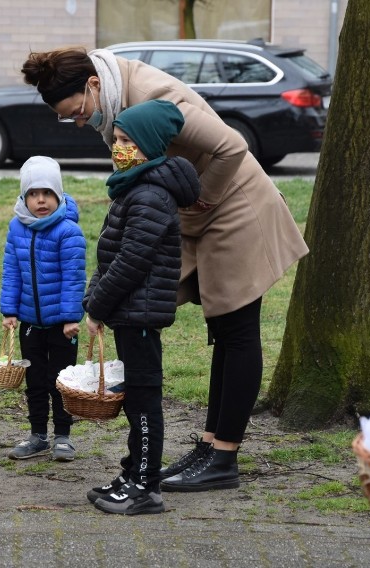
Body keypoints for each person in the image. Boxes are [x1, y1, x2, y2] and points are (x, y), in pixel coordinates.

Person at [21, 47, 308, 492]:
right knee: (223, 333)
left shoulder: (152, 95)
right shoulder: (114, 103)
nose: (78, 122)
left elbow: (232, 146)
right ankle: (210, 445)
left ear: (93, 85)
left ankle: (223, 458)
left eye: (76, 111)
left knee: (237, 329)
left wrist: (200, 200)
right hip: (194, 212)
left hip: (235, 208)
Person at [82, 99, 200, 515]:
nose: (118, 147)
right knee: (136, 396)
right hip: (130, 312)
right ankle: (132, 472)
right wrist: (93, 300)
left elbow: (131, 261)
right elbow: (109, 255)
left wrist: (96, 308)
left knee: (144, 399)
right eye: (115, 139)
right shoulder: (135, 187)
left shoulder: (149, 194)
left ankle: (146, 487)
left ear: (148, 144)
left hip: (141, 314)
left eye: (127, 140)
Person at [0, 156, 87, 461]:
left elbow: (74, 277)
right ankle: (38, 435)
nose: (41, 200)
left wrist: (69, 317)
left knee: (60, 381)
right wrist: (9, 310)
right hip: (29, 323)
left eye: (47, 193)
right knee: (35, 381)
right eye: (33, 194)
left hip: (62, 326)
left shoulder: (68, 231)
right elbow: (12, 270)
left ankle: (63, 436)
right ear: (24, 197)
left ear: (58, 195)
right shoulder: (17, 228)